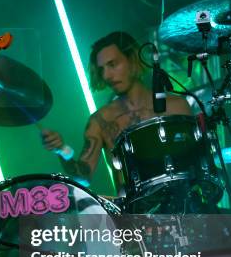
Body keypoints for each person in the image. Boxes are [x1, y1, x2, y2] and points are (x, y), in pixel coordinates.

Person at [42, 31, 191, 191]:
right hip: (134, 212)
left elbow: (197, 160)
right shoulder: (100, 121)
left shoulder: (177, 106)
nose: (106, 75)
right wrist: (62, 151)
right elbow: (83, 178)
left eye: (112, 65)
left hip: (184, 202)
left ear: (133, 61)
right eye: (102, 69)